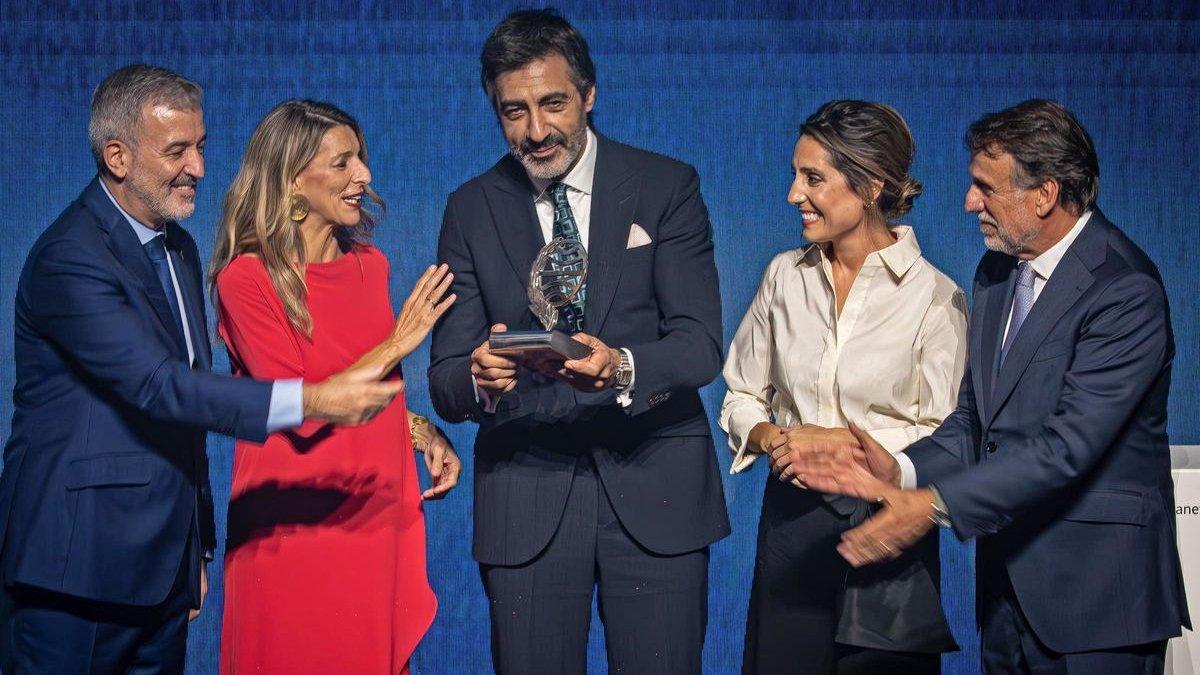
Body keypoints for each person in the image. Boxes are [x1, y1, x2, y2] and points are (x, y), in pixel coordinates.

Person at [0, 65, 402, 673]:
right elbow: (160, 387)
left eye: (201, 147)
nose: (199, 168)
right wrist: (315, 399)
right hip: (74, 573)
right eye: (177, 151)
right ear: (118, 156)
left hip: (162, 574)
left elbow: (188, 417)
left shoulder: (179, 249)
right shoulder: (70, 258)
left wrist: (199, 548)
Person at [788, 99, 1190, 673]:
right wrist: (897, 469)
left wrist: (932, 506)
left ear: (1045, 194)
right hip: (1007, 594)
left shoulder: (1124, 290)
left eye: (985, 187)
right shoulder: (998, 272)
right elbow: (976, 419)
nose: (968, 201)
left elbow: (1067, 446)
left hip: (1099, 601)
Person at [428, 9, 729, 674]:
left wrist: (622, 366)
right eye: (514, 111)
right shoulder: (469, 208)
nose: (536, 131)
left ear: (589, 94)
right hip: (525, 495)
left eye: (553, 103)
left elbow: (700, 343)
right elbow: (445, 376)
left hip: (659, 489)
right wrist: (479, 376)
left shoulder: (666, 186)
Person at [210, 99, 461, 674]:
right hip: (295, 528)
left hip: (374, 521)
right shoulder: (245, 279)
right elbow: (299, 405)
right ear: (293, 179)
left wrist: (423, 433)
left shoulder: (371, 266)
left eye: (361, 160)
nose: (363, 177)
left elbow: (369, 392)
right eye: (343, 163)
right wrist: (399, 342)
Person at [720, 100, 965, 674]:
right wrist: (769, 436)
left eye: (813, 178)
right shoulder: (784, 275)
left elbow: (946, 435)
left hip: (884, 531)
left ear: (872, 186)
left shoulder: (936, 297)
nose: (793, 195)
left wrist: (828, 440)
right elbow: (740, 395)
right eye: (795, 174)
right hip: (791, 529)